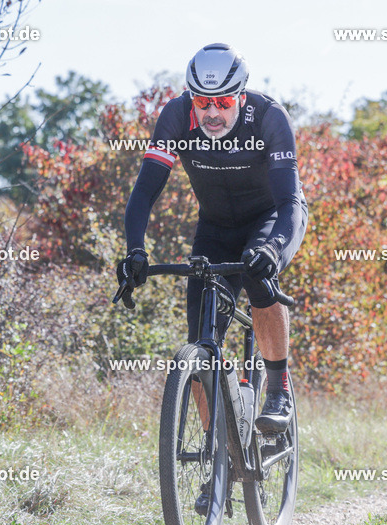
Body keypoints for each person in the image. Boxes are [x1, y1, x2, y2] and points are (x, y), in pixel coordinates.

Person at [116, 43, 308, 433]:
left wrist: (273, 248)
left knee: (258, 275)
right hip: (216, 227)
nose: (212, 112)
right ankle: (216, 452)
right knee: (201, 340)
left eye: (223, 102)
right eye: (203, 102)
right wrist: (135, 249)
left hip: (271, 218)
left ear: (240, 96)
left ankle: (278, 390)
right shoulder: (176, 116)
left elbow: (288, 201)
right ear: (192, 98)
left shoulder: (269, 117)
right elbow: (145, 191)